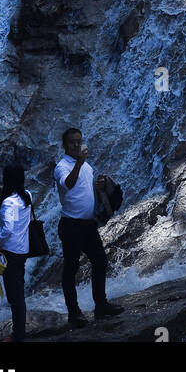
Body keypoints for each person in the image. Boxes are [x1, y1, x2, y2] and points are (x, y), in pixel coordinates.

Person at [54, 126, 122, 328]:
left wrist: (100, 186)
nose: (77, 145)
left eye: (79, 141)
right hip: (70, 224)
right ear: (65, 145)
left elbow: (86, 189)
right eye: (73, 142)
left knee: (100, 262)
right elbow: (68, 184)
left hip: (88, 224)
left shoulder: (87, 167)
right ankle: (74, 313)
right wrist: (79, 163)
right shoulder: (62, 166)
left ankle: (101, 306)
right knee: (71, 268)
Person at [0, 164, 32, 343]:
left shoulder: (8, 202)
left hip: (10, 252)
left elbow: (8, 230)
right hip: (23, 249)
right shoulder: (27, 196)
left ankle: (18, 335)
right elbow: (16, 220)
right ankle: (19, 331)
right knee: (18, 292)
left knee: (14, 296)